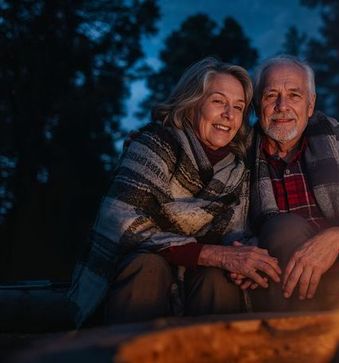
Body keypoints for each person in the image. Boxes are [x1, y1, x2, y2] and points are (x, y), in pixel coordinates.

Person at [67, 58, 281, 326]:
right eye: (218, 101)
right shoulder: (155, 144)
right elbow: (120, 220)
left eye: (238, 107)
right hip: (137, 274)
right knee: (149, 266)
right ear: (192, 103)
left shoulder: (237, 169)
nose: (229, 114)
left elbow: (234, 234)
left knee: (220, 277)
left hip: (198, 279)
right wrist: (210, 253)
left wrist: (242, 253)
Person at [237, 55, 339, 311]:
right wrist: (248, 246)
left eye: (294, 95)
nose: (282, 106)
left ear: (310, 104)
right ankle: (290, 339)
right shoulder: (239, 153)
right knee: (283, 229)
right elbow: (222, 219)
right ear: (257, 104)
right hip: (275, 284)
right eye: (271, 95)